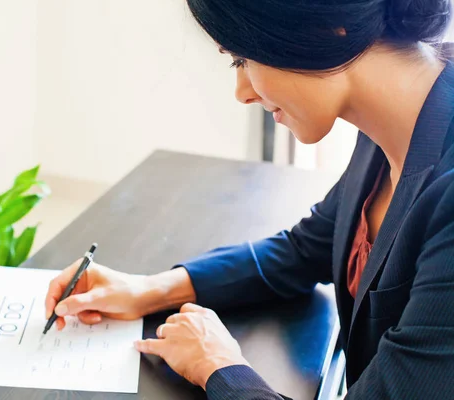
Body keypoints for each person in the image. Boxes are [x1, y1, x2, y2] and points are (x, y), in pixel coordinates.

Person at [45, 0, 454, 398]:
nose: (242, 93)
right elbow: (306, 249)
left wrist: (220, 367)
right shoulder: (395, 123)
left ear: (324, 28)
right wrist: (148, 290)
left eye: (242, 59)